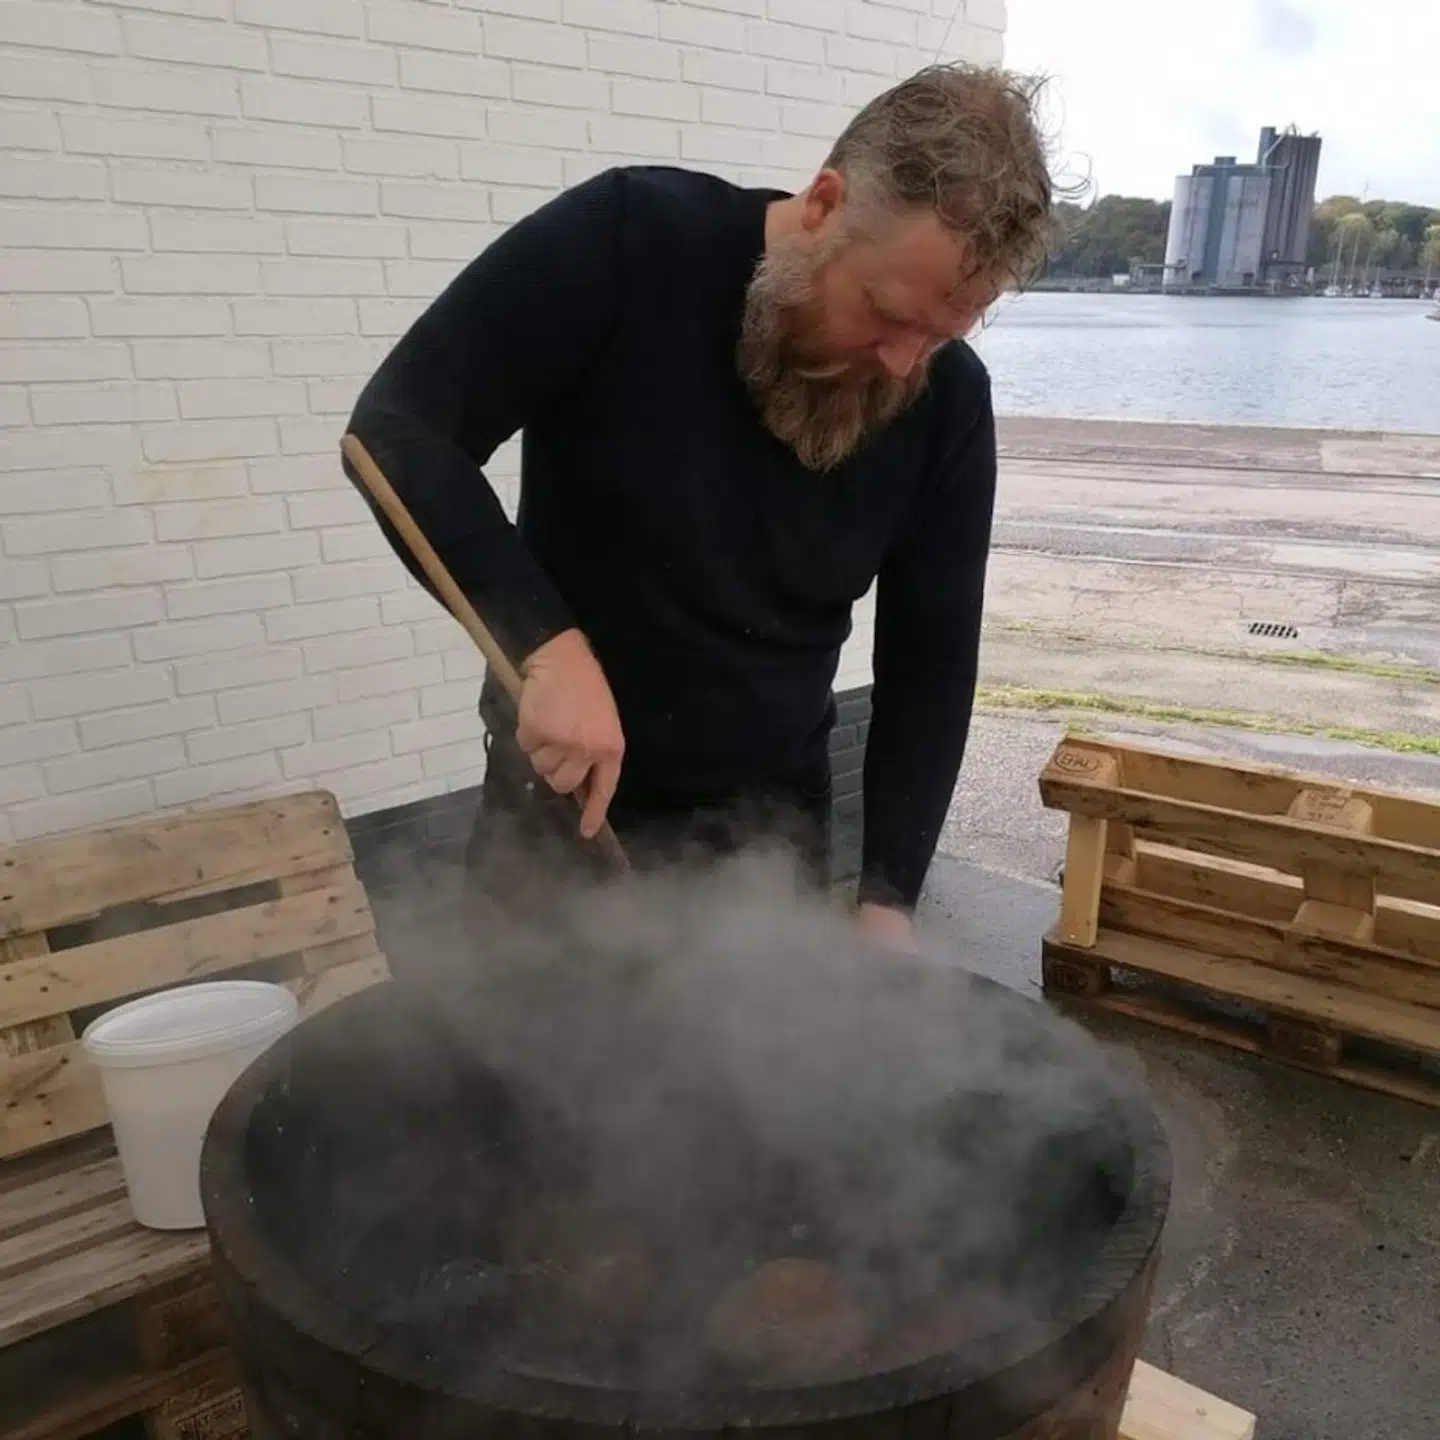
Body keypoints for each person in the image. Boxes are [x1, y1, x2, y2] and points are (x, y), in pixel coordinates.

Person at [343, 62, 1055, 948]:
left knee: (756, 1083)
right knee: (529, 1078)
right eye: (882, 310)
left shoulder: (946, 403)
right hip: (564, 815)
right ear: (824, 204)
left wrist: (886, 902)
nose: (903, 362)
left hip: (770, 836)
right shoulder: (630, 243)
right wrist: (546, 651)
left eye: (941, 336)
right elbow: (398, 433)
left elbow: (932, 663)